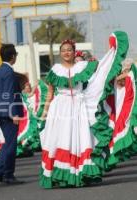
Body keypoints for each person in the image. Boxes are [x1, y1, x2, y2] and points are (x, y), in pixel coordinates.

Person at [39, 31, 129, 188]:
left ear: (74, 52)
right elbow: (50, 93)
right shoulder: (55, 70)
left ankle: (79, 174)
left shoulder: (83, 66)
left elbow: (102, 70)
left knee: (81, 140)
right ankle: (61, 175)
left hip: (80, 106)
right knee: (61, 139)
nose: (66, 52)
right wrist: (44, 113)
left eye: (69, 50)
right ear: (60, 53)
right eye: (63, 50)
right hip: (60, 109)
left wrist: (113, 52)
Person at [0, 44, 24, 184]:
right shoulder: (9, 72)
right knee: (10, 145)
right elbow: (10, 93)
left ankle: (0, 172)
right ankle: (8, 174)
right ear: (13, 56)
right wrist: (13, 114)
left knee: (6, 144)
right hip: (10, 112)